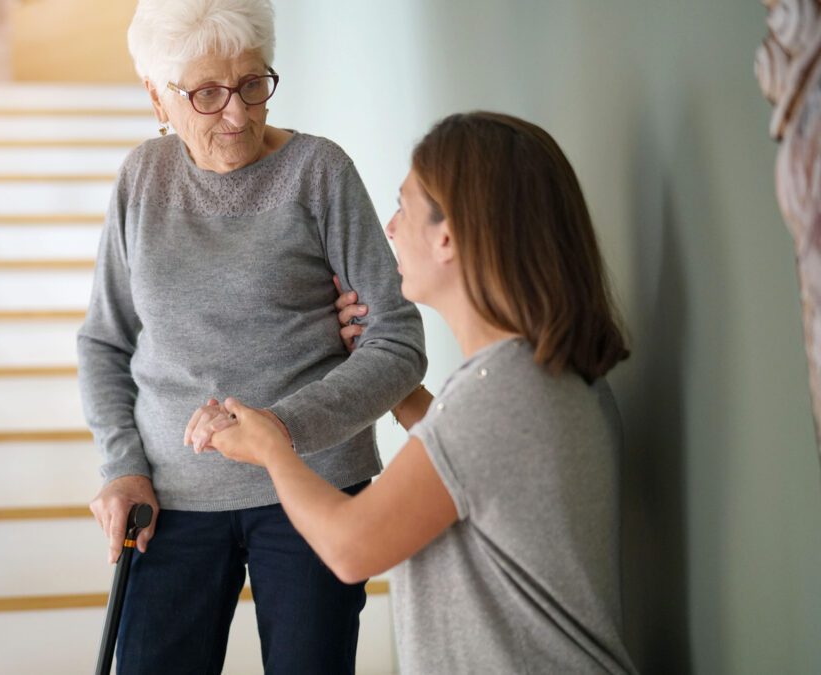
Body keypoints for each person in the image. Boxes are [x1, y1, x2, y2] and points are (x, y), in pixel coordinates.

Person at [205, 112, 639, 673]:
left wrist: (271, 448)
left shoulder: (498, 396)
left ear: (448, 236)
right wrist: (388, 379)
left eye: (404, 206)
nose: (389, 226)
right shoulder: (542, 377)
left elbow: (349, 547)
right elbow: (469, 472)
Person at [75, 0, 428, 672]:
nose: (237, 114)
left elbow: (399, 342)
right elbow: (103, 342)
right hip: (170, 500)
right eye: (207, 94)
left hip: (314, 482)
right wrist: (122, 465)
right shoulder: (141, 181)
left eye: (253, 84)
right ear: (158, 94)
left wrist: (275, 430)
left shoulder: (318, 172)